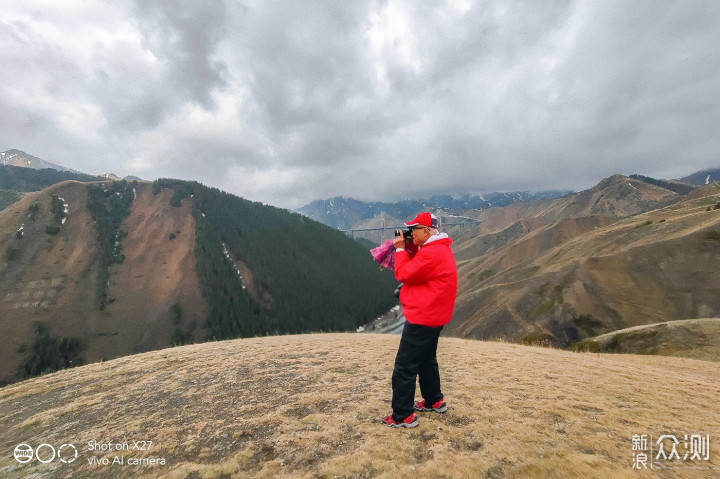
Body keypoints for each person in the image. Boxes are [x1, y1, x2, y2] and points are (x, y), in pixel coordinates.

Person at [382, 212, 458, 428]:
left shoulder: (432, 253)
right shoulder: (439, 248)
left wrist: (398, 249)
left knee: (404, 367)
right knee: (426, 360)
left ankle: (402, 415)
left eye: (413, 230)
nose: (410, 233)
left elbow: (404, 273)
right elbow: (419, 265)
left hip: (423, 317)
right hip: (435, 316)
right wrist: (407, 244)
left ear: (426, 231)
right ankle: (435, 401)